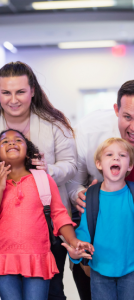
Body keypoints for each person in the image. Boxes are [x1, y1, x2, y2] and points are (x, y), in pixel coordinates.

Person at [0, 61, 77, 300]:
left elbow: (71, 165)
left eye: (20, 92)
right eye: (6, 92)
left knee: (54, 292)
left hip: (46, 230)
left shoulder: (54, 123)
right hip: (4, 235)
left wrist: (48, 172)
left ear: (32, 90)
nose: (13, 99)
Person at [0, 129, 93, 300]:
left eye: (18, 140)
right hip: (4, 260)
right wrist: (0, 186)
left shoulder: (43, 180)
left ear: (28, 151)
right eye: (5, 141)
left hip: (38, 258)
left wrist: (74, 241)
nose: (11, 143)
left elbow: (59, 215)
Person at [66, 80, 134, 300]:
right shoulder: (89, 131)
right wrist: (83, 196)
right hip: (99, 265)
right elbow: (72, 182)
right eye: (128, 117)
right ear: (116, 110)